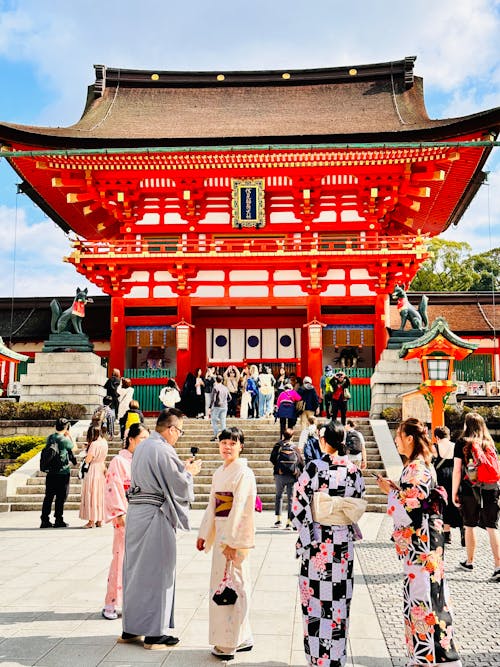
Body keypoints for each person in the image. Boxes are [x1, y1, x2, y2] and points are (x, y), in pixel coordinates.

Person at [377, 418, 462, 667]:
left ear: (410, 439)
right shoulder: (419, 465)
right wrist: (395, 489)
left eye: (399, 436)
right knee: (427, 595)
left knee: (423, 596)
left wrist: (389, 492)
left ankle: (430, 657)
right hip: (426, 537)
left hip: (422, 541)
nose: (396, 440)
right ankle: (428, 655)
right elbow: (413, 498)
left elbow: (412, 504)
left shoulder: (416, 467)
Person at [121, 408, 202, 650]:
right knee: (159, 570)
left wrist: (181, 470)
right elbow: (177, 483)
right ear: (171, 429)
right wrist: (189, 472)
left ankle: (132, 627)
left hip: (137, 512)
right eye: (179, 431)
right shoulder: (163, 449)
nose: (179, 436)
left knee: (136, 571)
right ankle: (155, 634)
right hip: (155, 514)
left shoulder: (144, 446)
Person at [292, 420, 366, 667]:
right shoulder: (354, 471)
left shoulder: (314, 467)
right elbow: (357, 504)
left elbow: (299, 505)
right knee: (338, 598)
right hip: (342, 545)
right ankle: (336, 656)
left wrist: (304, 533)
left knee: (315, 599)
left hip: (317, 542)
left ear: (323, 441)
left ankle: (317, 657)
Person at [196, 427, 256, 660]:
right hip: (221, 532)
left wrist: (232, 541)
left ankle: (231, 642)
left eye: (233, 442)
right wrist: (204, 533)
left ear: (241, 446)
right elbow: (213, 505)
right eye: (224, 442)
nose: (227, 447)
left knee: (236, 585)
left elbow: (241, 508)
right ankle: (243, 635)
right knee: (222, 585)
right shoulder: (219, 472)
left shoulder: (244, 473)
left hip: (234, 537)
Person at [102, 423, 150, 620]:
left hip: (143, 515)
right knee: (121, 559)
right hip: (126, 515)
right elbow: (113, 486)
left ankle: (134, 603)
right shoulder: (119, 461)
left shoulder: (144, 460)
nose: (145, 443)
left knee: (142, 562)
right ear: (131, 439)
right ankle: (111, 603)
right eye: (142, 439)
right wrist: (120, 512)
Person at [452, 412, 500, 580]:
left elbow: (457, 470)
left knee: (469, 525)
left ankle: (470, 561)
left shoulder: (461, 442)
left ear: (466, 425)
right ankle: (498, 565)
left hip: (469, 488)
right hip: (491, 486)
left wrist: (453, 493)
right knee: (492, 526)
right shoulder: (489, 442)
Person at [40, 417, 77, 528]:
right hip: (62, 472)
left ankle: (45, 520)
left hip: (51, 472)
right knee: (60, 497)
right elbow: (74, 448)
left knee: (48, 497)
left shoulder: (50, 437)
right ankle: (58, 519)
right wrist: (69, 436)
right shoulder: (64, 440)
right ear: (66, 428)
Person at [433, 426, 463, 546]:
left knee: (444, 504)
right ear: (448, 435)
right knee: (457, 503)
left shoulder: (435, 447)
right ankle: (463, 531)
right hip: (455, 475)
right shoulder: (456, 445)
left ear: (436, 437)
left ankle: (447, 534)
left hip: (441, 477)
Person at [270, 428, 303, 530]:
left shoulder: (278, 445)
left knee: (279, 496)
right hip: (292, 476)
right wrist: (296, 471)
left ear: (283, 435)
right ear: (292, 437)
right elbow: (301, 463)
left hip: (279, 475)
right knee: (290, 499)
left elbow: (272, 458)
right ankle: (289, 522)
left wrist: (279, 468)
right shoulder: (295, 447)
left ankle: (278, 520)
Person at [79, 424, 108, 529]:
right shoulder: (104, 442)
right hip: (101, 467)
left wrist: (85, 450)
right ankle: (99, 520)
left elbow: (88, 460)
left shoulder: (94, 444)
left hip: (93, 470)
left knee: (91, 494)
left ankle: (91, 521)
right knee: (99, 494)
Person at [210, 375, 230, 441]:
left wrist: (210, 407)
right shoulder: (225, 388)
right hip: (224, 406)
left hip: (217, 406)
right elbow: (230, 398)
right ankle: (224, 436)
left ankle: (216, 435)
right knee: (223, 421)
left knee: (214, 421)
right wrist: (225, 402)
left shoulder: (215, 387)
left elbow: (213, 398)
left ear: (216, 380)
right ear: (222, 380)